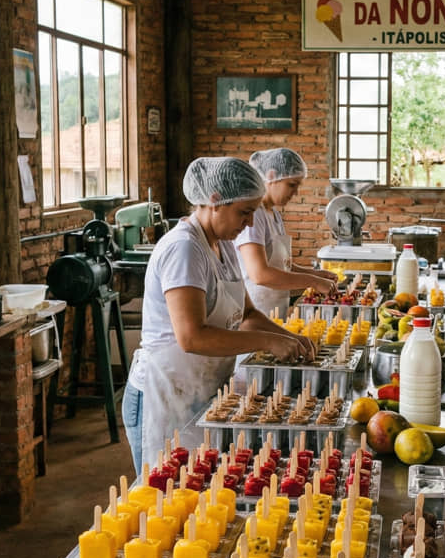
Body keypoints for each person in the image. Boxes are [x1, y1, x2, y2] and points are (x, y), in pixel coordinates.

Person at [123, 157, 316, 474]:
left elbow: (248, 313)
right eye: (244, 212)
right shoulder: (184, 249)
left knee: (198, 491)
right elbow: (191, 336)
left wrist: (288, 338)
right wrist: (268, 341)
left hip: (199, 389)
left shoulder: (222, 245)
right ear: (214, 201)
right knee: (163, 498)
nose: (250, 223)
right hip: (164, 393)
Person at [235, 148, 337, 319]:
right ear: (271, 176)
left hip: (276, 308)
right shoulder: (255, 215)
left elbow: (283, 265)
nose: (295, 193)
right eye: (291, 185)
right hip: (256, 312)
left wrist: (314, 273)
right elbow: (259, 274)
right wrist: (313, 281)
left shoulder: (273, 213)